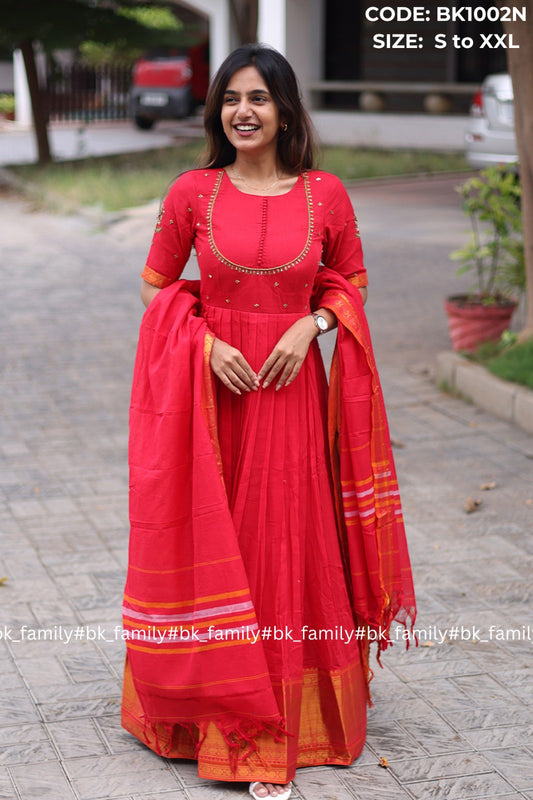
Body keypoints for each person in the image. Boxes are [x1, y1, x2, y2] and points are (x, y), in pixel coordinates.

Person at [121, 44, 416, 800]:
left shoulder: (325, 194)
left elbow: (348, 283)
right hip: (212, 395)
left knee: (281, 543)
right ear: (218, 112)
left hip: (286, 390)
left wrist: (309, 326)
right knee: (215, 536)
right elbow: (157, 287)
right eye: (229, 99)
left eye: (257, 97)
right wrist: (203, 341)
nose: (242, 112)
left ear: (285, 109)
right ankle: (211, 715)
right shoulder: (193, 191)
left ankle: (275, 725)